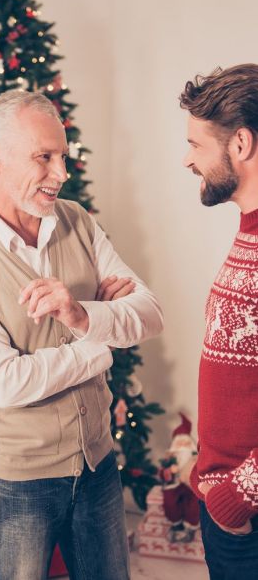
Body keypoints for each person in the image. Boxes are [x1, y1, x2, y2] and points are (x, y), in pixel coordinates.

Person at [0, 89, 164, 580]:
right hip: (18, 483)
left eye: (63, 155)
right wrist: (100, 342)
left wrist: (82, 315)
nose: (62, 173)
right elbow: (5, 383)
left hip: (97, 466)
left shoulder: (77, 220)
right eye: (45, 157)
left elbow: (149, 313)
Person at [180, 64, 258, 578]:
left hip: (246, 517)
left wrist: (237, 495)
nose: (187, 160)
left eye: (197, 145)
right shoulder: (247, 232)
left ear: (241, 144)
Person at [158, 414, 200, 543]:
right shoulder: (169, 458)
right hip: (174, 484)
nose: (183, 444)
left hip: (190, 484)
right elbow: (161, 473)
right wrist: (170, 471)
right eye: (179, 441)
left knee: (195, 502)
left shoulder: (196, 457)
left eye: (185, 441)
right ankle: (176, 523)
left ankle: (190, 526)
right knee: (170, 499)